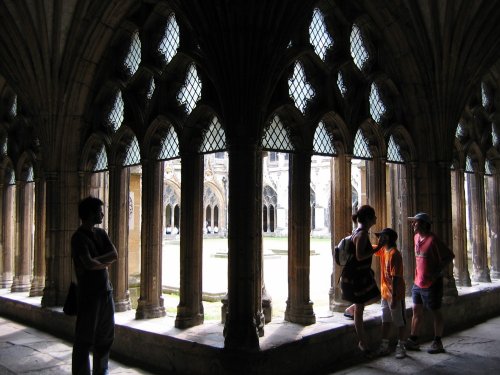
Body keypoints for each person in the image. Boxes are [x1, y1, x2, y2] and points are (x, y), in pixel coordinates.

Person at [71, 197, 118, 375]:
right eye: (99, 211)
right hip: (88, 294)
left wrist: (94, 262)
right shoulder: (78, 238)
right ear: (90, 214)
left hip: (105, 291)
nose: (102, 214)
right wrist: (100, 263)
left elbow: (114, 254)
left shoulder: (101, 234)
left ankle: (101, 369)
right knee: (84, 338)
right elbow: (88, 264)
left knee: (106, 335)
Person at [405, 212, 455, 354]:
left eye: (416, 222)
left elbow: (449, 256)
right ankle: (414, 339)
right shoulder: (415, 238)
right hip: (418, 282)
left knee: (435, 311)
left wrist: (435, 273)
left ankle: (437, 341)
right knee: (416, 310)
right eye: (413, 222)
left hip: (431, 284)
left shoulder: (433, 240)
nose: (413, 224)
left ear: (424, 224)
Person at [340, 205, 382, 357]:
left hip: (358, 275)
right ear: (369, 218)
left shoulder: (358, 231)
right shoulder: (362, 233)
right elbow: (359, 256)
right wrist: (379, 248)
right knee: (360, 310)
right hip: (355, 277)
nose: (376, 218)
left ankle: (351, 309)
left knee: (376, 296)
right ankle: (363, 344)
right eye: (374, 216)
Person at [373, 228, 407, 359]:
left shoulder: (394, 254)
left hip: (395, 295)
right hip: (385, 293)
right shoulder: (383, 250)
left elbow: (396, 278)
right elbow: (371, 249)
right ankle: (385, 345)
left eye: (381, 237)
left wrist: (394, 298)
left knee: (400, 321)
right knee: (385, 320)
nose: (379, 239)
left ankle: (401, 346)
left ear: (387, 238)